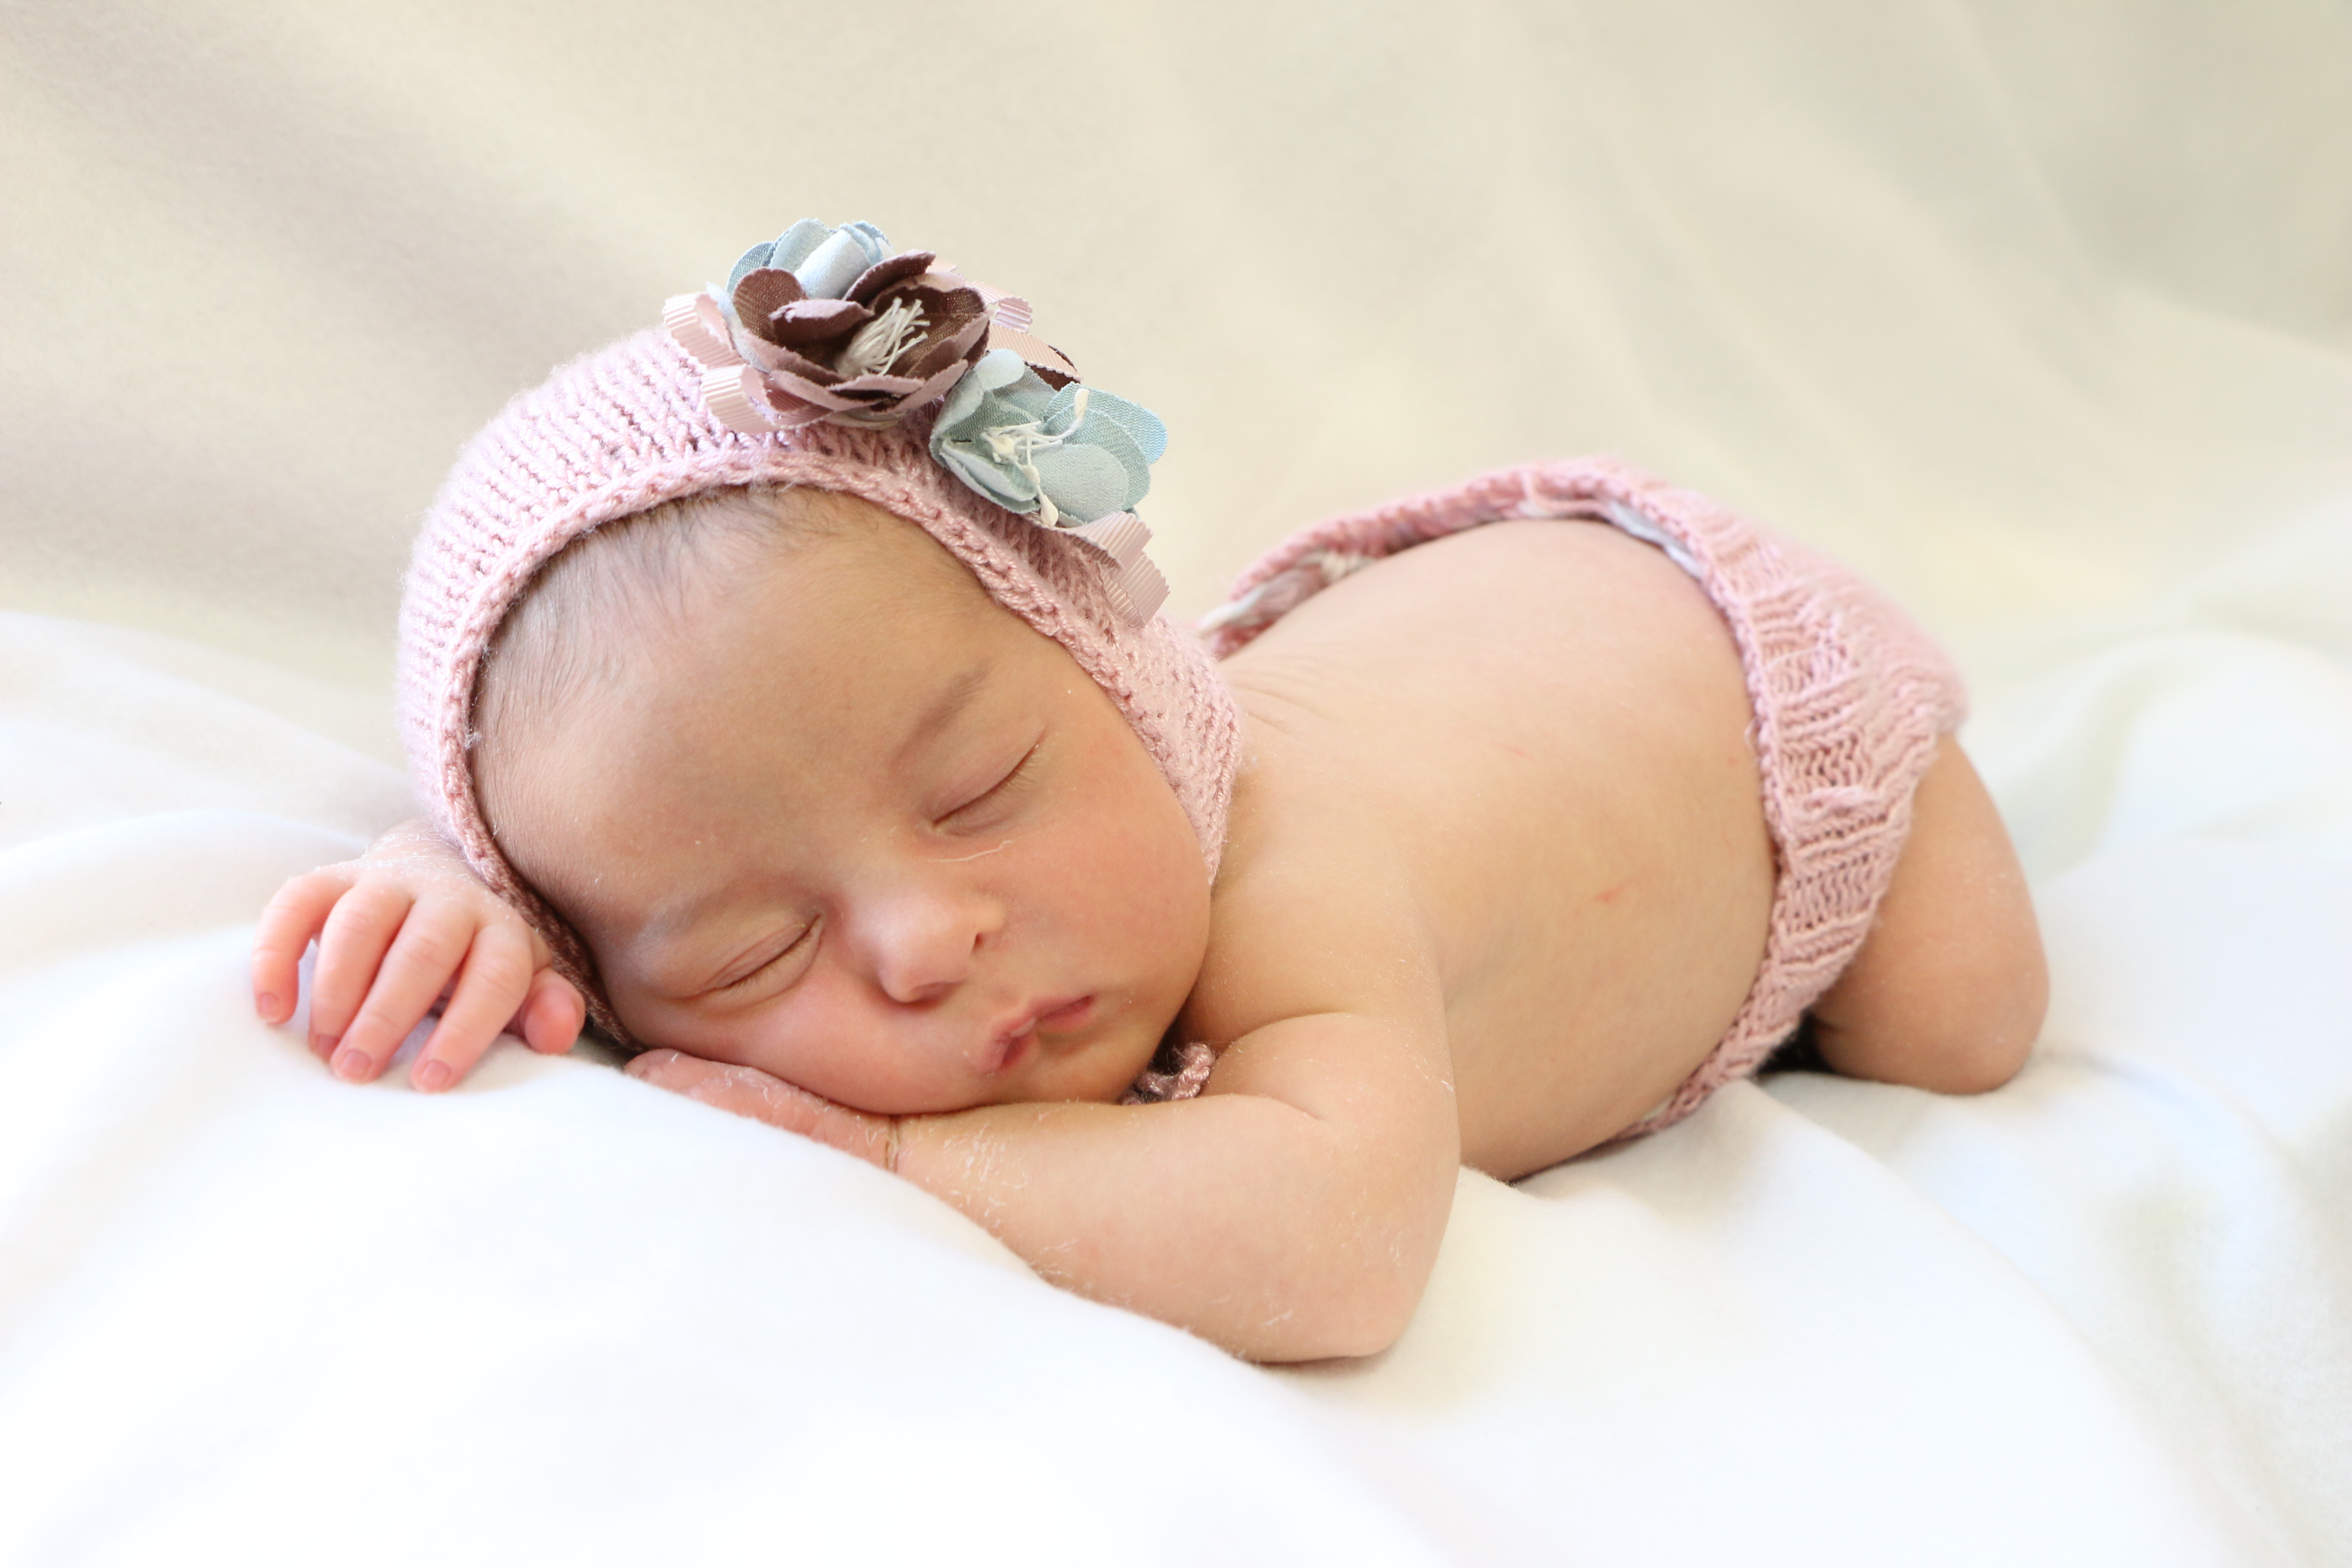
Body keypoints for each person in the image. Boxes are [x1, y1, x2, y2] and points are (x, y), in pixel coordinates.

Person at [251, 219, 2046, 1362]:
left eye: (982, 789)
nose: (927, 941)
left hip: (1748, 681)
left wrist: (900, 1158)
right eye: (752, 948)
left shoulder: (1291, 884)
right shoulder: (770, 820)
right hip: (1494, 654)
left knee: (1956, 1029)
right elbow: (626, 854)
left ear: (1112, 673)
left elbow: (1342, 1251)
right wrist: (470, 900)